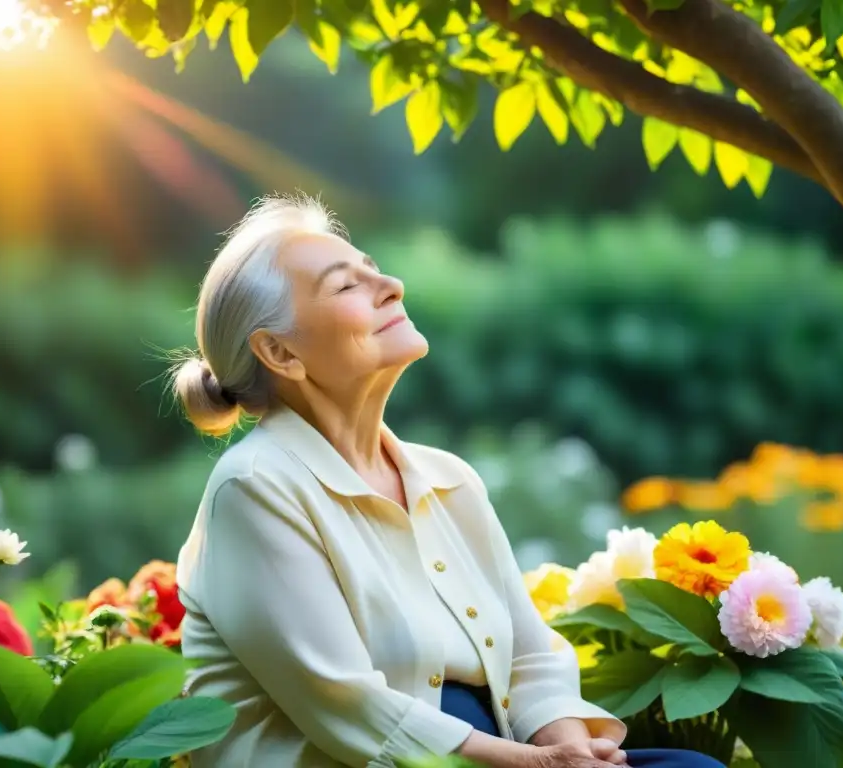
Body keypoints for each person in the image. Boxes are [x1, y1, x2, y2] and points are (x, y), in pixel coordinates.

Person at [174, 195, 724, 768]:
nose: (391, 284)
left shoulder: (449, 480)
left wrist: (570, 745)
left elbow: (530, 656)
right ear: (279, 352)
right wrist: (532, 764)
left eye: (373, 267)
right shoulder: (254, 487)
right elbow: (344, 703)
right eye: (346, 286)